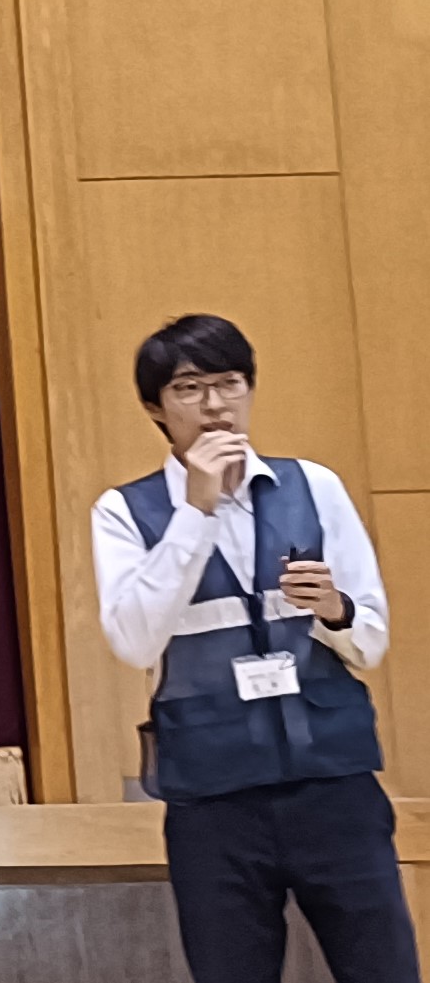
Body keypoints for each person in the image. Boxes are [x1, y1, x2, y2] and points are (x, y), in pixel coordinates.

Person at [94, 314, 416, 983]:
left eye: (229, 383)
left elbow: (372, 639)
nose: (214, 404)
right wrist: (195, 511)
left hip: (333, 781)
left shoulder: (314, 486)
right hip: (214, 799)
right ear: (155, 407)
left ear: (249, 388)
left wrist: (334, 609)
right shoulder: (125, 511)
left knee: (383, 966)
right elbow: (133, 639)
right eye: (189, 388)